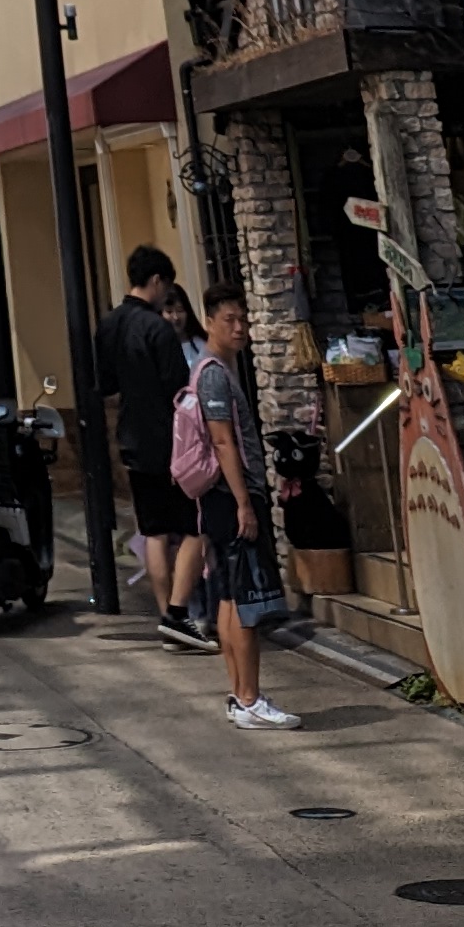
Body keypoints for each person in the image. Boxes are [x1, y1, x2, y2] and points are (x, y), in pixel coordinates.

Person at [189, 293, 298, 731]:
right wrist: (243, 504)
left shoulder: (217, 370)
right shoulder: (213, 376)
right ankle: (250, 697)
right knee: (247, 601)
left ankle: (240, 696)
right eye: (229, 319)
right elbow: (222, 442)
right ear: (209, 321)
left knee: (230, 599)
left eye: (243, 319)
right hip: (230, 496)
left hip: (221, 498)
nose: (239, 328)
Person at [95, 248, 205, 649]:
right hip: (172, 442)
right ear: (157, 281)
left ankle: (167, 619)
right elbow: (180, 390)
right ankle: (179, 614)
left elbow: (103, 382)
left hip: (131, 437)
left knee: (154, 532)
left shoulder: (109, 325)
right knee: (196, 528)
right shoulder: (157, 329)